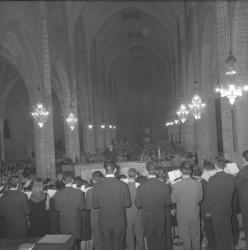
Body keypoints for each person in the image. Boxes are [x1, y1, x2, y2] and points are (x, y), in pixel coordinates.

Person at [92, 161, 131, 250]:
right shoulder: (123, 185)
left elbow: (95, 205)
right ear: (115, 170)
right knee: (119, 246)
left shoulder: (97, 185)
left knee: (106, 246)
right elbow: (128, 204)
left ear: (105, 170)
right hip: (119, 221)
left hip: (104, 222)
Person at [135, 161, 171, 250]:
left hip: (148, 218)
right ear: (157, 171)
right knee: (161, 241)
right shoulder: (164, 185)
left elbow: (137, 204)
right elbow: (167, 202)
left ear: (146, 171)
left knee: (151, 242)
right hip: (160, 217)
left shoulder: (141, 187)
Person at [171, 161, 203, 250]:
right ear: (191, 171)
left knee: (185, 237)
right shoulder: (198, 184)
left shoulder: (176, 185)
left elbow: (172, 200)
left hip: (182, 215)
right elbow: (200, 199)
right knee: (196, 236)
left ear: (181, 171)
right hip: (194, 213)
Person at [205, 155, 235, 250]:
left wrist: (208, 211)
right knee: (228, 231)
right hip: (227, 208)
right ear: (224, 165)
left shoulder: (212, 179)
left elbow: (210, 198)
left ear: (215, 165)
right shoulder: (231, 177)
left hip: (216, 211)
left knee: (219, 234)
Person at [54, 172, 84, 248]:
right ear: (73, 180)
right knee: (76, 244)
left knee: (66, 244)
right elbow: (81, 207)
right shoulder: (79, 192)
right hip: (76, 221)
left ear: (63, 181)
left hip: (64, 222)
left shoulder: (58, 193)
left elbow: (57, 208)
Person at [125, 168, 144, 250]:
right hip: (138, 214)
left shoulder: (124, 186)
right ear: (136, 175)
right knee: (140, 237)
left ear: (128, 175)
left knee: (129, 238)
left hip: (127, 215)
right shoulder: (140, 186)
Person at [200, 160, 217, 249]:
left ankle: (212, 246)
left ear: (205, 169)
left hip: (208, 209)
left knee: (209, 228)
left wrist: (207, 210)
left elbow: (205, 197)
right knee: (215, 227)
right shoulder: (216, 177)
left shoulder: (204, 180)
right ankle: (216, 244)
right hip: (217, 207)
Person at [86, 171, 104, 250]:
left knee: (96, 235)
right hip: (106, 215)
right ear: (101, 179)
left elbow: (88, 207)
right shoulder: (106, 190)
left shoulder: (89, 192)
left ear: (93, 180)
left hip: (94, 216)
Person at [236, 150, 248, 246]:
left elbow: (236, 185)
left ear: (244, 159)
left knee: (246, 221)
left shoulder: (243, 171)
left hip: (246, 201)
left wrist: (235, 176)